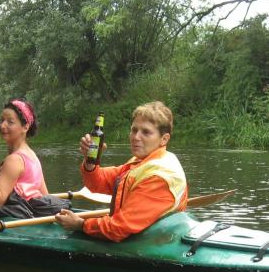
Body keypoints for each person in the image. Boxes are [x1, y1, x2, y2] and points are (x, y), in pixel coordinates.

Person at [55, 101, 188, 241]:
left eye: (146, 132)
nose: (136, 137)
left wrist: (81, 225)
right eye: (134, 130)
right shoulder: (143, 162)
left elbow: (118, 228)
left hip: (149, 244)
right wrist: (91, 160)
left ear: (164, 139)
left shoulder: (159, 176)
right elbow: (98, 183)